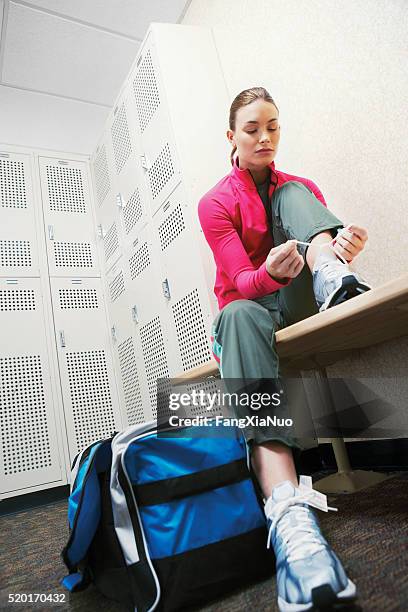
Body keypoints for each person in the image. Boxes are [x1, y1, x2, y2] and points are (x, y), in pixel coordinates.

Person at [198, 87, 370, 611]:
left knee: (296, 193)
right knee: (235, 313)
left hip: (302, 296)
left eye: (273, 126)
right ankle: (286, 509)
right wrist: (268, 274)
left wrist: (337, 249)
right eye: (252, 129)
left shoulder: (298, 187)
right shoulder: (215, 203)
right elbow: (241, 280)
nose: (265, 137)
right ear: (231, 136)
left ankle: (333, 275)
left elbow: (316, 226)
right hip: (252, 306)